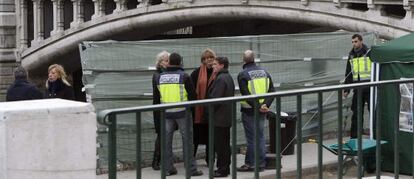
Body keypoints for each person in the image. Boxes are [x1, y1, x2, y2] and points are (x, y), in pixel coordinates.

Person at [153, 52, 203, 176]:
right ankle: (191, 170)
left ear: (169, 62)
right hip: (183, 113)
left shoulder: (159, 77)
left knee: (166, 142)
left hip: (166, 114)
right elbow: (193, 96)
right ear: (180, 62)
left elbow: (157, 98)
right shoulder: (184, 76)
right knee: (187, 141)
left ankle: (168, 169)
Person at [237, 50, 275, 172]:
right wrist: (265, 105)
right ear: (254, 59)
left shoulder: (243, 74)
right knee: (260, 137)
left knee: (252, 139)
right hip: (262, 110)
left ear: (243, 60)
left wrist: (258, 106)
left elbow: (246, 94)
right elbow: (272, 91)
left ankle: (254, 164)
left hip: (249, 111)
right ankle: (258, 163)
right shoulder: (265, 72)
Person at [207, 57, 235, 177]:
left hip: (219, 118)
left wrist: (208, 111)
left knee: (221, 145)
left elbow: (215, 100)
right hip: (225, 117)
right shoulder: (228, 77)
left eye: (215, 64)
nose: (213, 66)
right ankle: (224, 168)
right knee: (224, 144)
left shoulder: (220, 79)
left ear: (222, 65)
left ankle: (222, 169)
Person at [190, 48, 216, 164]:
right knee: (196, 136)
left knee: (211, 136)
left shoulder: (217, 72)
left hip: (211, 110)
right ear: (203, 60)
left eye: (211, 57)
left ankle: (209, 159)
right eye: (206, 58)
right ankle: (191, 160)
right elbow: (191, 90)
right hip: (199, 111)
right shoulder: (196, 73)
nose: (209, 60)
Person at [343, 34, 371, 139]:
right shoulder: (351, 55)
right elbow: (348, 73)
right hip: (357, 88)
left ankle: (374, 135)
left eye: (356, 41)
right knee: (356, 114)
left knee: (372, 112)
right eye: (352, 42)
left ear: (361, 41)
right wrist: (346, 89)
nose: (354, 44)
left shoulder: (368, 53)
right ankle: (355, 137)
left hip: (369, 88)